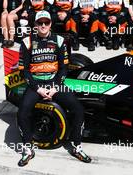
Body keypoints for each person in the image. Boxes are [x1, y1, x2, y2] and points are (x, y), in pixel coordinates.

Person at [17, 10, 92, 167]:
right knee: (22, 112)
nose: (43, 25)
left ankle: (77, 146)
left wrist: (55, 87)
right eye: (40, 23)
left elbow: (64, 68)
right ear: (35, 25)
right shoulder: (26, 42)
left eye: (46, 22)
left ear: (51, 23)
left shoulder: (59, 40)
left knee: (78, 109)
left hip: (54, 84)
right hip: (36, 85)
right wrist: (38, 89)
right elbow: (24, 71)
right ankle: (28, 148)